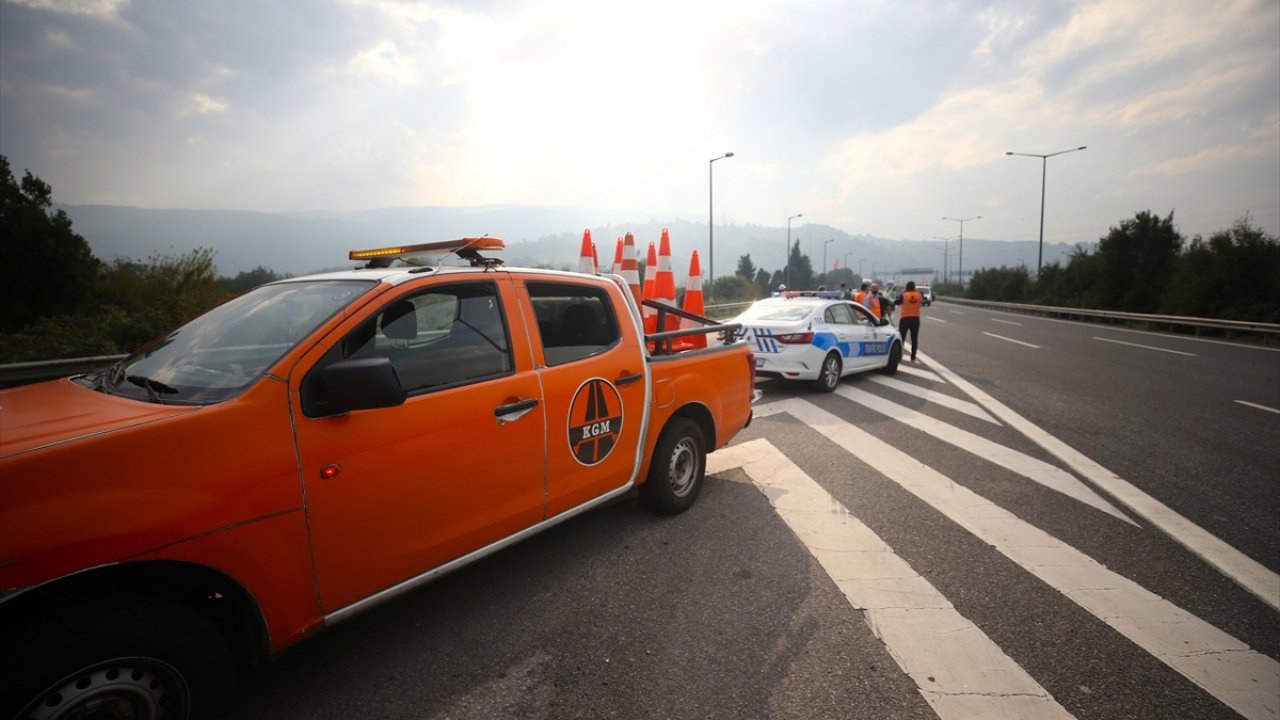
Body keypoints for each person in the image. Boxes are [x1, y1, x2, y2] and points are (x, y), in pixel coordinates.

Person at [894, 280, 923, 361]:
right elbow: (921, 299)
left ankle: (899, 355)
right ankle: (913, 356)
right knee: (914, 338)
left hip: (905, 319)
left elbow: (897, 302)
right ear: (914, 287)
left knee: (902, 337)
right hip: (915, 319)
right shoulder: (919, 295)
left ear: (906, 287)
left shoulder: (904, 295)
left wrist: (902, 293)